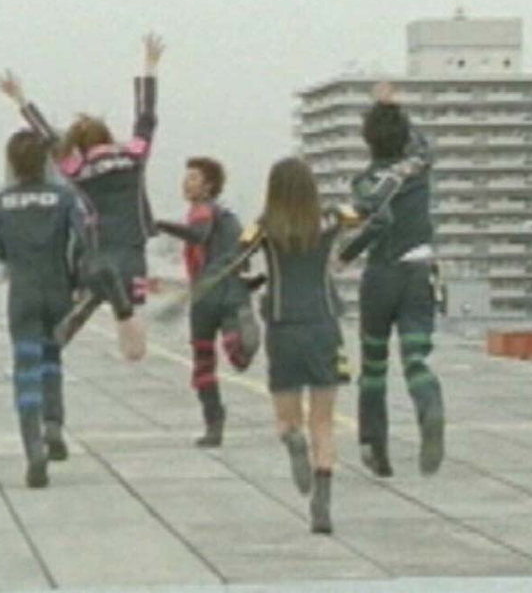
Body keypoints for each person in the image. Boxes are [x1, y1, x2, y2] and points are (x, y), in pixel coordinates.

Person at [0, 33, 165, 361]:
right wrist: (149, 66)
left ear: (81, 145)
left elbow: (47, 137)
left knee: (96, 282)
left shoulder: (79, 170)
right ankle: (126, 315)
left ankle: (90, 298)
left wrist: (21, 100)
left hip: (99, 251)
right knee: (134, 309)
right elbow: (146, 117)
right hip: (133, 250)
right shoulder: (134, 157)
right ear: (108, 137)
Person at [243, 157, 351, 534]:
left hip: (282, 327)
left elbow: (238, 257)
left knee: (287, 417)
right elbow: (369, 216)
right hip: (324, 325)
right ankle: (322, 501)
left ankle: (292, 440)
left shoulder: (263, 225)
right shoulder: (332, 218)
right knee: (324, 422)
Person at [351, 82, 444, 478]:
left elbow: (368, 222)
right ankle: (429, 406)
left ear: (368, 140)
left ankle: (375, 447)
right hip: (419, 272)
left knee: (374, 364)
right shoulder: (418, 170)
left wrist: (344, 255)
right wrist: (393, 107)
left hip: (380, 275)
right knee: (414, 357)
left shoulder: (364, 182)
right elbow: (424, 145)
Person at [0, 129, 88, 488]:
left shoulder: (0, 203)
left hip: (23, 292)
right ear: (45, 161)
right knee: (52, 359)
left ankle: (33, 448)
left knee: (26, 369)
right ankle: (54, 424)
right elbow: (83, 240)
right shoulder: (64, 197)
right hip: (57, 289)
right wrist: (77, 280)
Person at [155, 158, 260, 447]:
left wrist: (160, 224)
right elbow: (243, 254)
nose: (186, 183)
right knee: (228, 357)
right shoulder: (228, 217)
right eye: (186, 177)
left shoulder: (203, 211)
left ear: (208, 186)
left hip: (211, 293)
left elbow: (198, 235)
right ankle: (243, 344)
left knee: (203, 362)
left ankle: (214, 423)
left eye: (193, 178)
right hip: (225, 292)